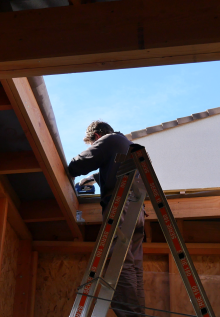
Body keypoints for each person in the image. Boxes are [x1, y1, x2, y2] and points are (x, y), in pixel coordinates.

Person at [68, 120, 145, 317]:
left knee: (120, 263)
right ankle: (138, 312)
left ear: (96, 137)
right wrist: (94, 178)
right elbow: (112, 170)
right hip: (137, 211)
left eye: (92, 144)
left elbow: (76, 165)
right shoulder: (126, 145)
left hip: (121, 207)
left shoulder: (109, 140)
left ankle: (130, 315)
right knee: (134, 266)